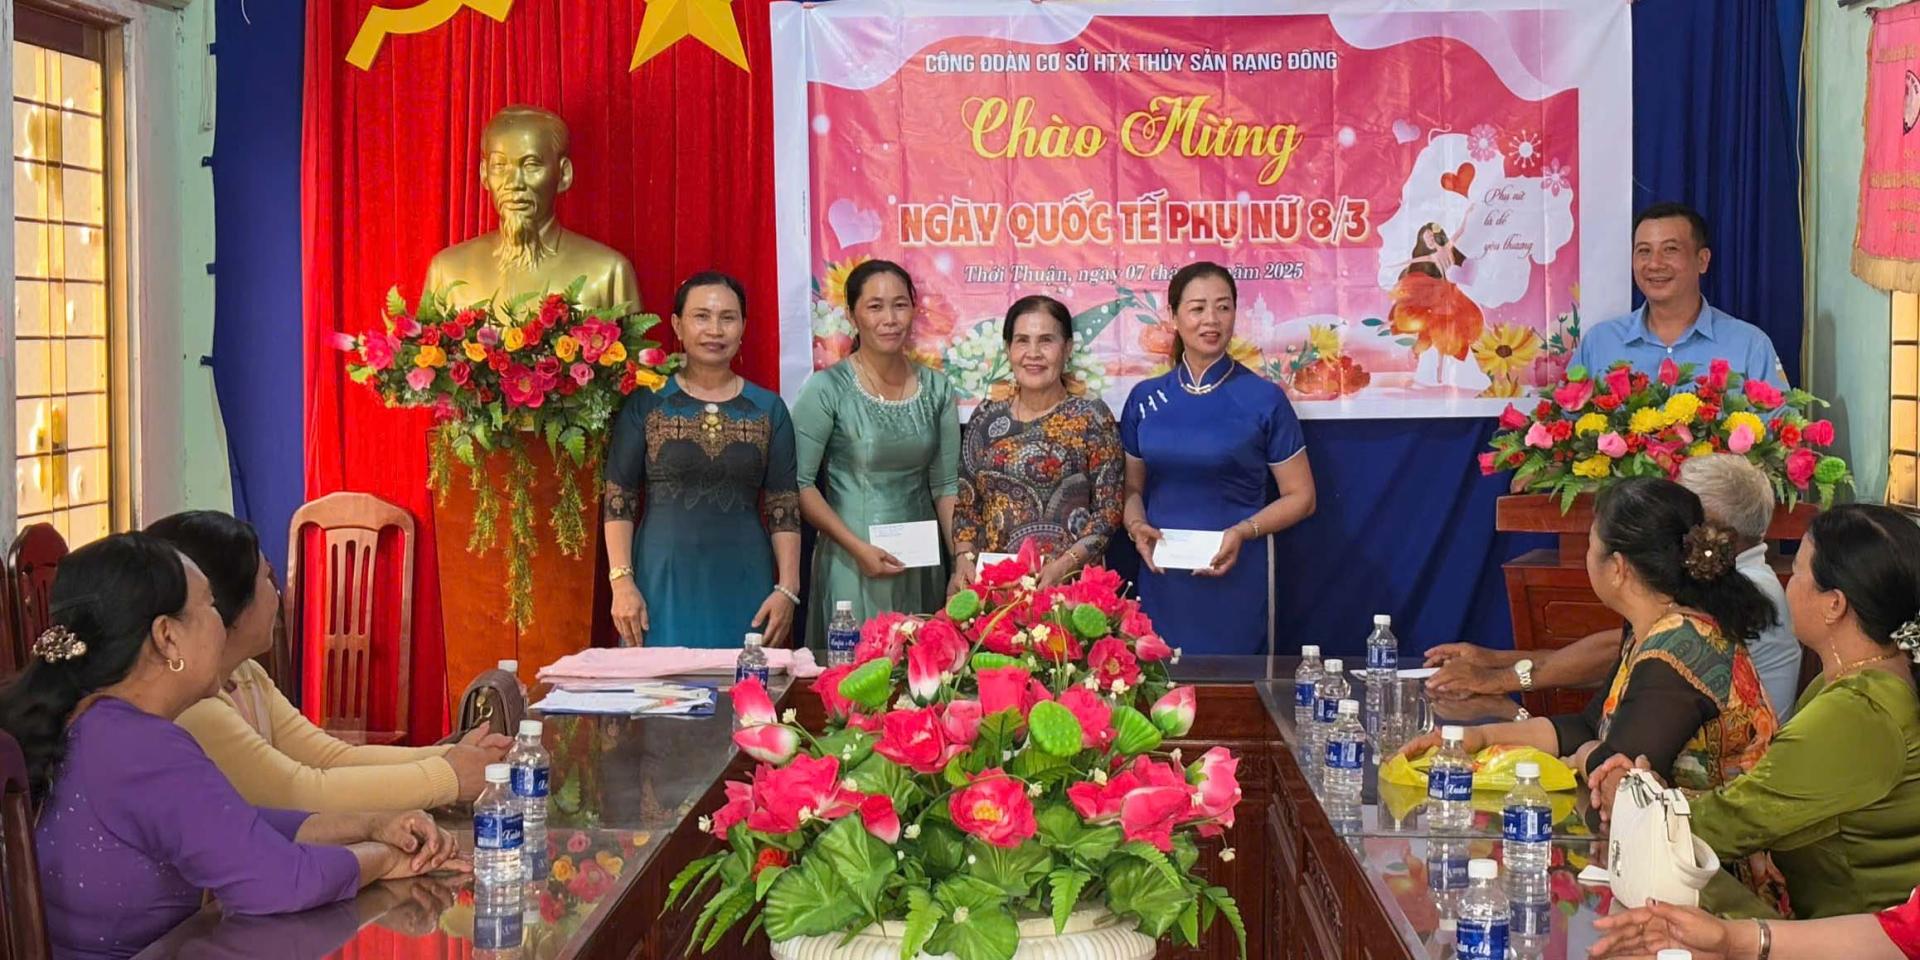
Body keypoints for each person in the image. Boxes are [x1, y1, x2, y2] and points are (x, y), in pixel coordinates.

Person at [0, 534, 463, 960]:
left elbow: (237, 827)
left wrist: (371, 825)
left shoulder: (92, 721)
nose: (222, 623)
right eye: (209, 605)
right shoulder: (139, 745)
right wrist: (388, 859)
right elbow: (282, 882)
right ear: (167, 636)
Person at [1590, 504, 1920, 920]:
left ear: (1834, 604)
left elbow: (1729, 825)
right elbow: (1766, 794)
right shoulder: (1856, 682)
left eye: (1797, 572)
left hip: (1853, 936)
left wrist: (1635, 801)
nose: (1788, 584)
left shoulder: (1860, 714)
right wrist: (1656, 795)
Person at [1401, 477, 1776, 795]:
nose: (1587, 557)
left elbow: (1624, 792)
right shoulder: (1655, 628)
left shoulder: (1678, 649)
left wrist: (1585, 757)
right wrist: (1478, 738)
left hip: (1707, 855)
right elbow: (1586, 727)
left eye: (1591, 546)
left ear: (1618, 567)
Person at [151, 510, 513, 812]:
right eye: (265, 578)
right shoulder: (194, 708)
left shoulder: (245, 674)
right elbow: (300, 793)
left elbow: (329, 757)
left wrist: (453, 758)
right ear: (231, 606)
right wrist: (450, 777)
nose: (276, 592)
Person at [1427, 455, 1803, 722]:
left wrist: (1499, 683)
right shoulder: (1730, 581)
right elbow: (1618, 652)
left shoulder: (1746, 592)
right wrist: (1494, 663)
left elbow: (1610, 663)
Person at [1120, 262, 1317, 655]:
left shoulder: (1264, 399)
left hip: (1237, 575)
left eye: (1223, 307)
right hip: (1162, 576)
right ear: (1174, 316)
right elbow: (1131, 488)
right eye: (1197, 308)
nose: (1211, 320)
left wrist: (1243, 532)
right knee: (1157, 683)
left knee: (1236, 688)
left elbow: (1302, 497)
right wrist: (1136, 526)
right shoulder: (1144, 399)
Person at [603, 272, 802, 647]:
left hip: (746, 580)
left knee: (744, 682)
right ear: (677, 325)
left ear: (743, 327)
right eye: (701, 316)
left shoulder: (768, 409)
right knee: (660, 682)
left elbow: (784, 504)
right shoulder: (647, 403)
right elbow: (619, 496)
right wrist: (622, 582)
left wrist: (787, 589)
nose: (715, 329)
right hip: (660, 582)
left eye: (728, 318)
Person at [794, 259, 960, 648]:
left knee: (922, 674)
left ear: (913, 311)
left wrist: (959, 561)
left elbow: (946, 485)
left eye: (900, 305)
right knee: (855, 673)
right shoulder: (826, 389)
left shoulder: (937, 389)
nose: (889, 319)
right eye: (875, 306)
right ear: (853, 315)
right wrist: (858, 549)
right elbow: (800, 485)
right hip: (853, 561)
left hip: (920, 564)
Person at [951, 295, 1123, 591]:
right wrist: (963, 559)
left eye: (1046, 341)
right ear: (1008, 349)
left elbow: (1108, 512)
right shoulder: (986, 416)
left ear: (1067, 348)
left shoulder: (1091, 416)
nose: (1033, 353)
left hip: (1067, 590)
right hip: (995, 589)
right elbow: (967, 504)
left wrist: (1065, 565)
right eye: (1022, 341)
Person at [1571, 202, 1787, 387]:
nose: (1654, 264)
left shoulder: (1749, 345)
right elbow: (1563, 420)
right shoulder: (1599, 343)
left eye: (1670, 249)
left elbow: (1781, 423)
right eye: (1644, 251)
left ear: (1702, 260)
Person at [1385, 211, 1489, 390]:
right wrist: (1393, 266)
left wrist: (1468, 214)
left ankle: (1444, 374)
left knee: (1451, 331)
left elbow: (1460, 231)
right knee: (1437, 332)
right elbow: (1411, 260)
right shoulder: (1431, 257)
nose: (1429, 240)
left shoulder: (1448, 248)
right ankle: (1436, 375)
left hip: (1451, 294)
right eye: (1426, 238)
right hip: (1438, 294)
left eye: (1431, 237)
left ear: (1437, 237)